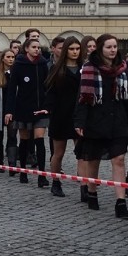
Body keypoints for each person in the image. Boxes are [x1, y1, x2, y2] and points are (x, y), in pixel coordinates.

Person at [74, 34, 128, 218]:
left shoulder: (123, 69)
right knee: (93, 159)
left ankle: (120, 202)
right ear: (101, 49)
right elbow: (82, 98)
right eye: (109, 47)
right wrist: (79, 122)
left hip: (118, 120)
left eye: (115, 46)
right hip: (95, 119)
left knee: (119, 159)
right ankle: (92, 192)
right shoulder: (89, 69)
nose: (113, 50)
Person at [4, 37, 50, 187]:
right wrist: (9, 110)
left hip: (40, 108)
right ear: (27, 49)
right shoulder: (19, 65)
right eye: (34, 47)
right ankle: (23, 170)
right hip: (23, 108)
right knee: (24, 140)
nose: (37, 49)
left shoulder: (43, 64)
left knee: (39, 139)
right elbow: (12, 90)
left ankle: (42, 175)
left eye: (38, 47)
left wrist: (48, 106)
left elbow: (48, 86)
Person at [44, 37, 83, 197]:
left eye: (77, 49)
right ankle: (56, 182)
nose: (75, 52)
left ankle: (84, 186)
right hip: (60, 115)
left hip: (79, 116)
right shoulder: (56, 69)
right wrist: (48, 109)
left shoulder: (84, 68)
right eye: (72, 49)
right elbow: (50, 92)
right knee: (58, 153)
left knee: (82, 153)